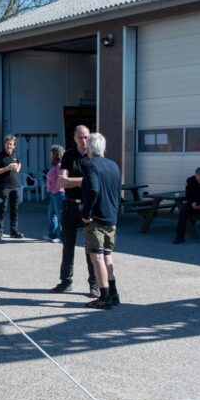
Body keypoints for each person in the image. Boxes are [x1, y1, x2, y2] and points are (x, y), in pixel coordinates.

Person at [53, 125, 98, 296]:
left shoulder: (93, 155)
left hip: (88, 205)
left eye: (86, 137)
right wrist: (84, 180)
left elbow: (95, 181)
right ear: (74, 138)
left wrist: (72, 180)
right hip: (70, 204)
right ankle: (66, 282)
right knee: (68, 246)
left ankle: (94, 284)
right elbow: (62, 182)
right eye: (80, 137)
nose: (84, 140)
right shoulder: (69, 155)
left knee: (91, 248)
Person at [80, 133, 122, 310]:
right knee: (107, 256)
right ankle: (113, 294)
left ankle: (104, 297)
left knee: (97, 257)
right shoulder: (114, 165)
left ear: (88, 148)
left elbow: (93, 190)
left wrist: (86, 213)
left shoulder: (89, 164)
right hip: (111, 217)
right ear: (103, 148)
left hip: (96, 218)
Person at [0, 135, 23, 240]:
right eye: (7, 143)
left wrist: (17, 169)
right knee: (2, 209)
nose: (9, 145)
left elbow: (19, 164)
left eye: (11, 144)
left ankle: (14, 231)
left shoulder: (16, 155)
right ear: (4, 144)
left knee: (15, 209)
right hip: (4, 187)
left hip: (15, 186)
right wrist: (7, 168)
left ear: (14, 145)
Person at [45, 145, 65, 242]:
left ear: (56, 153)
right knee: (51, 214)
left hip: (59, 194)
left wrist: (54, 190)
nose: (50, 154)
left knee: (60, 215)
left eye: (51, 152)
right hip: (54, 194)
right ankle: (52, 235)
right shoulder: (54, 165)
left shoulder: (60, 165)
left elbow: (60, 180)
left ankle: (62, 237)